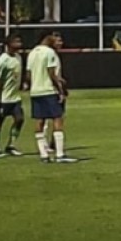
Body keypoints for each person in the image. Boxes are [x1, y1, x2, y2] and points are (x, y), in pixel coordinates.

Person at [26, 29, 76, 163]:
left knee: (39, 121)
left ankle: (43, 154)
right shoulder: (49, 52)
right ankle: (60, 155)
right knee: (57, 119)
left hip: (35, 91)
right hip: (49, 90)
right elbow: (51, 73)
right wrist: (60, 89)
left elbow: (28, 75)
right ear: (47, 38)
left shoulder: (31, 53)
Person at [0, 34, 25, 158]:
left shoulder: (19, 57)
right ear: (8, 44)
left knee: (19, 119)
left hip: (15, 97)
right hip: (3, 98)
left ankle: (11, 145)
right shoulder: (2, 60)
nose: (19, 44)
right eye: (16, 41)